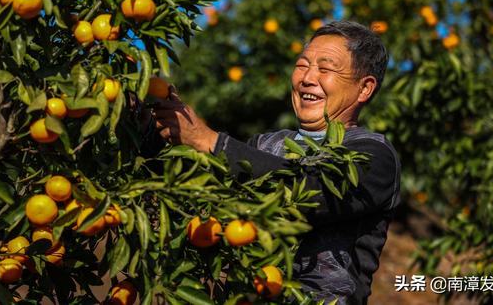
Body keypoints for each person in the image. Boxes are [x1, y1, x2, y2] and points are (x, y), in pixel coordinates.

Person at [150, 20, 401, 304]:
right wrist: (149, 129)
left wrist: (213, 143)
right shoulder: (265, 145)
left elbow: (311, 192)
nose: (307, 78)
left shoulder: (373, 155)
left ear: (364, 88)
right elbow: (198, 189)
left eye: (326, 68)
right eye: (302, 65)